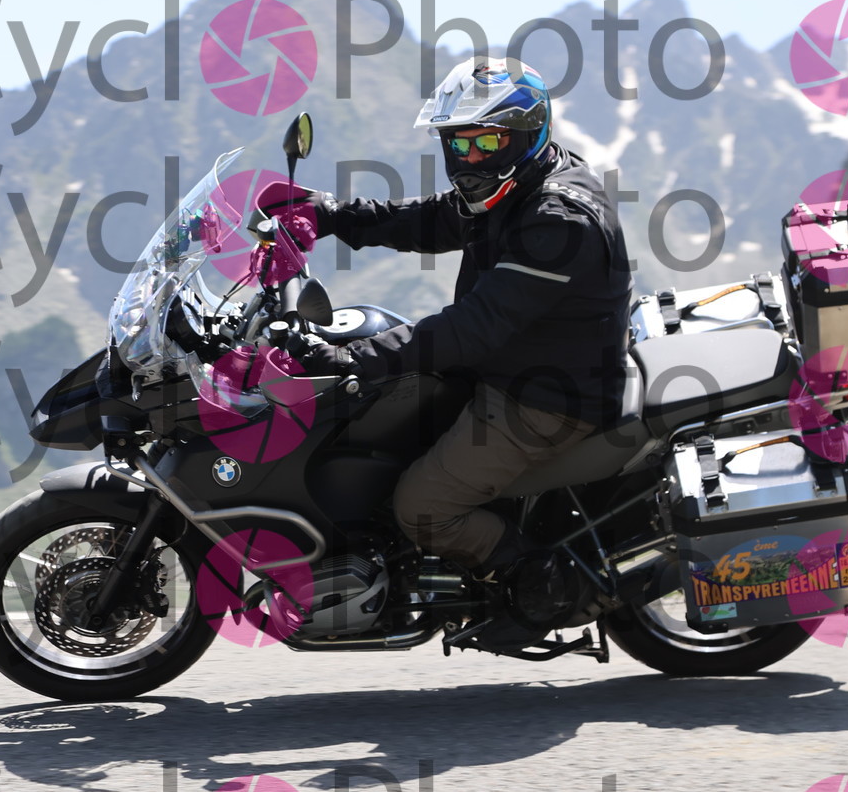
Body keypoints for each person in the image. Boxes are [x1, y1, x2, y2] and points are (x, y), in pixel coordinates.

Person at [260, 57, 633, 645]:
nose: (470, 158)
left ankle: (541, 586)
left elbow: (473, 328)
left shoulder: (557, 220)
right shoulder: (516, 186)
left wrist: (353, 360)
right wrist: (331, 215)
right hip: (510, 367)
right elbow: (431, 220)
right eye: (459, 143)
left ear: (527, 133)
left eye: (486, 141)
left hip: (545, 397)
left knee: (424, 507)